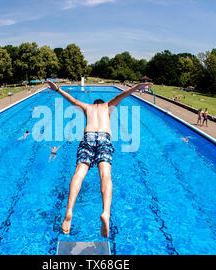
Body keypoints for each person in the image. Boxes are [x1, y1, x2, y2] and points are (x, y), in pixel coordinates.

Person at [45, 80, 152, 238]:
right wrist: (136, 87)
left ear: (94, 104)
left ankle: (69, 211)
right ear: (102, 104)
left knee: (79, 173)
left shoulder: (87, 107)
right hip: (104, 138)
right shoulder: (108, 106)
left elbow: (72, 100)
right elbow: (123, 94)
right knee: (105, 175)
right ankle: (106, 213)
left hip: (87, 137)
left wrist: (58, 89)